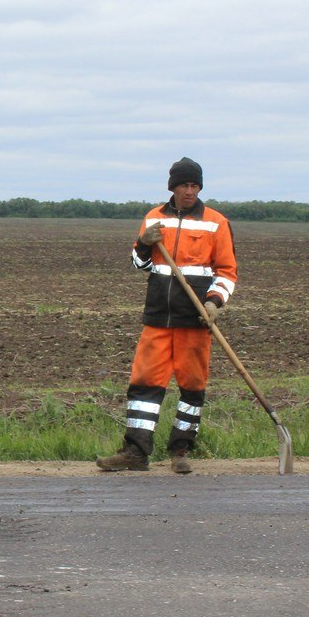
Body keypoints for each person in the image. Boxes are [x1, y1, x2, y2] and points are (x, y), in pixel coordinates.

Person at [96, 157, 238, 475]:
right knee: (145, 385)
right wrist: (145, 247)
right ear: (172, 187)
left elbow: (227, 272)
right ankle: (135, 452)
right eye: (184, 185)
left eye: (194, 185)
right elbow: (140, 264)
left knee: (192, 386)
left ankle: (180, 450)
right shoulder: (153, 218)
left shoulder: (216, 223)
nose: (190, 191)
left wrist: (214, 303)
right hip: (158, 316)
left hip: (196, 319)